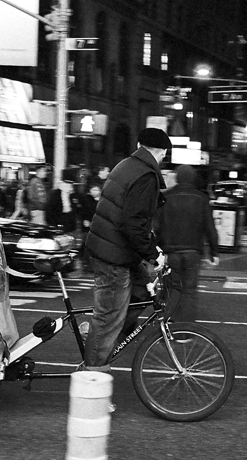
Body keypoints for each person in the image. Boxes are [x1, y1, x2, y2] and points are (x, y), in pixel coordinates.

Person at [81, 128, 171, 373]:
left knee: (142, 291)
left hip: (115, 249)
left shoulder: (126, 165)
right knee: (108, 319)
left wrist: (152, 247)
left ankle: (102, 338)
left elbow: (130, 217)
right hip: (113, 256)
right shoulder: (145, 175)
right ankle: (92, 379)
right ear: (163, 152)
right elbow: (132, 222)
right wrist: (154, 254)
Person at [154, 165, 219, 321]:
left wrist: (157, 249)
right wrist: (214, 252)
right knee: (189, 291)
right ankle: (186, 330)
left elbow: (157, 226)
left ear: (177, 178)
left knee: (173, 289)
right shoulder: (201, 198)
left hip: (171, 252)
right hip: (193, 251)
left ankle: (172, 325)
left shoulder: (165, 197)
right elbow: (209, 227)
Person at [46, 169, 80, 233]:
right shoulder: (56, 194)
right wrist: (53, 225)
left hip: (70, 227)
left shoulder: (74, 194)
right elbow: (49, 211)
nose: (69, 187)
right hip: (57, 226)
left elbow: (76, 210)